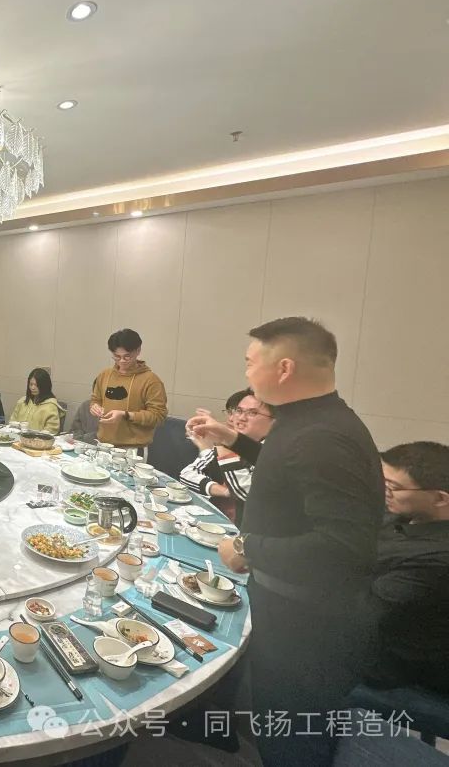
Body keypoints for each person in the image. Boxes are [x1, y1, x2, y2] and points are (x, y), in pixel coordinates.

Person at [186, 317, 383, 766]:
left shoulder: (322, 437)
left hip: (307, 624)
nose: (246, 372)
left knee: (292, 737)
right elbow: (286, 466)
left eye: (250, 362)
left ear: (285, 368)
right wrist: (234, 439)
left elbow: (344, 546)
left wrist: (247, 548)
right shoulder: (311, 420)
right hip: (292, 605)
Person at [362, 442, 449, 693]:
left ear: (440, 498)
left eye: (393, 487)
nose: (384, 490)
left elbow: (364, 611)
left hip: (391, 667)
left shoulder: (437, 558)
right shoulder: (406, 514)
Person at [179, 388, 276, 523]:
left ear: (274, 421)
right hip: (218, 520)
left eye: (252, 413)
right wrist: (223, 491)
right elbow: (187, 474)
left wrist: (222, 441)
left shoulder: (274, 452)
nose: (241, 418)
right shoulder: (229, 444)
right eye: (239, 411)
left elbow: (247, 493)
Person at [88, 328, 167, 452]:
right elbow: (95, 400)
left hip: (133, 449)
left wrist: (126, 414)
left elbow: (158, 416)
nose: (122, 361)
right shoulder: (105, 375)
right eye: (117, 356)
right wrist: (95, 407)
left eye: (127, 356)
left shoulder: (151, 380)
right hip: (103, 444)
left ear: (138, 351)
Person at [8, 368, 65, 433]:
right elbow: (12, 421)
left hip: (39, 438)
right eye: (31, 384)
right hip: (17, 437)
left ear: (44, 386)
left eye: (36, 385)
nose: (32, 388)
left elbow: (51, 431)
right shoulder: (22, 401)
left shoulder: (51, 406)